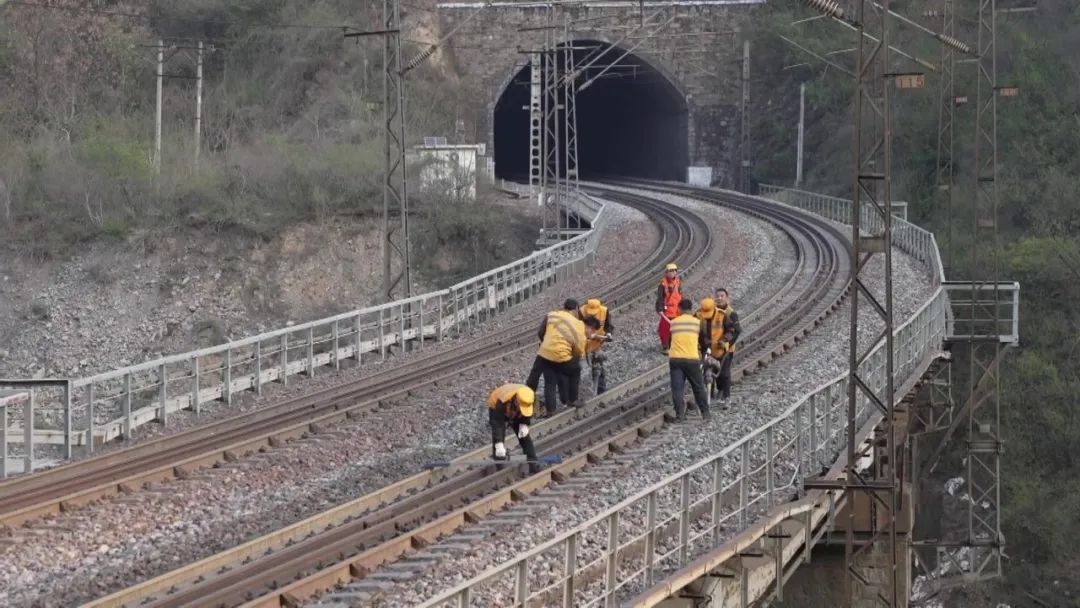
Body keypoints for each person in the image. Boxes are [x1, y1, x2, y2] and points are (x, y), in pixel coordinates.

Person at [525, 299, 598, 415]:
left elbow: (540, 332)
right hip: (560, 355)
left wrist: (548, 343)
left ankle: (550, 411)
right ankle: (573, 400)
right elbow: (578, 351)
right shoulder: (578, 324)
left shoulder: (552, 315)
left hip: (544, 352)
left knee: (550, 382)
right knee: (575, 370)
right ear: (576, 310)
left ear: (563, 307)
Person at [668, 298, 711, 422]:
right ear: (691, 310)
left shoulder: (674, 322)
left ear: (679, 309)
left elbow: (670, 342)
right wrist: (703, 355)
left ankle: (680, 416)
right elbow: (704, 341)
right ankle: (705, 414)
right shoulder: (697, 322)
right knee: (698, 387)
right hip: (692, 359)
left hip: (675, 360)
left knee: (677, 389)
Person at [487, 383, 541, 473]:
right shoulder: (502, 401)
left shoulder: (531, 398)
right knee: (499, 441)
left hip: (514, 410)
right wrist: (499, 443)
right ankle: (500, 465)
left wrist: (525, 425)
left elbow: (528, 414)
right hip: (496, 406)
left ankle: (533, 463)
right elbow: (498, 424)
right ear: (516, 401)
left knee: (524, 436)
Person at [711, 288, 741, 404]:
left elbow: (737, 331)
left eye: (722, 296)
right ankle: (720, 390)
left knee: (725, 372)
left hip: (727, 348)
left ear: (727, 298)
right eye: (717, 296)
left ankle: (726, 395)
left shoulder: (731, 313)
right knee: (716, 371)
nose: (719, 298)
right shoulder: (713, 311)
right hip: (715, 347)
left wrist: (728, 344)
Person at [579, 298, 614, 394]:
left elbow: (609, 326)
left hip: (596, 344)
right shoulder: (581, 311)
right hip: (582, 345)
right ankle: (584, 391)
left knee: (598, 366)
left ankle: (600, 390)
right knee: (582, 370)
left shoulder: (604, 311)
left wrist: (609, 333)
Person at [655, 263, 682, 353]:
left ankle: (674, 345)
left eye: (674, 271)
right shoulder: (662, 284)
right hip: (667, 312)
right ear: (666, 272)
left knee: (676, 330)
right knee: (664, 330)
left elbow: (680, 295)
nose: (673, 273)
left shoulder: (678, 282)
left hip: (677, 311)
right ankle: (666, 347)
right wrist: (660, 309)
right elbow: (660, 298)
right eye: (671, 271)